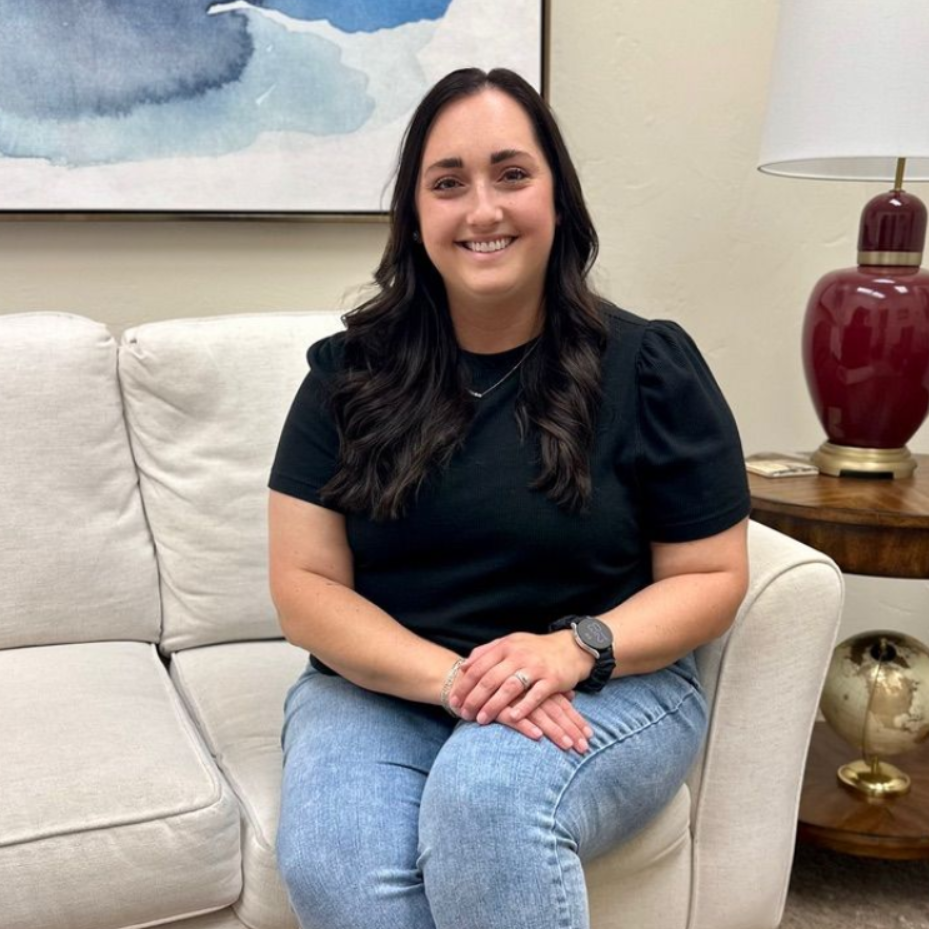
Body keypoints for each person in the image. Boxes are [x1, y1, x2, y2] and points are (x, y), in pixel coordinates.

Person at [268, 66, 750, 929]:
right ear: (416, 221)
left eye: (511, 174)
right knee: (334, 861)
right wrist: (456, 681)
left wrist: (573, 649)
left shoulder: (648, 366)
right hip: (379, 683)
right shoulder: (345, 375)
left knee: (485, 801)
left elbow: (710, 573)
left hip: (609, 678)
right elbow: (305, 587)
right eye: (447, 183)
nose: (481, 209)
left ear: (557, 198)